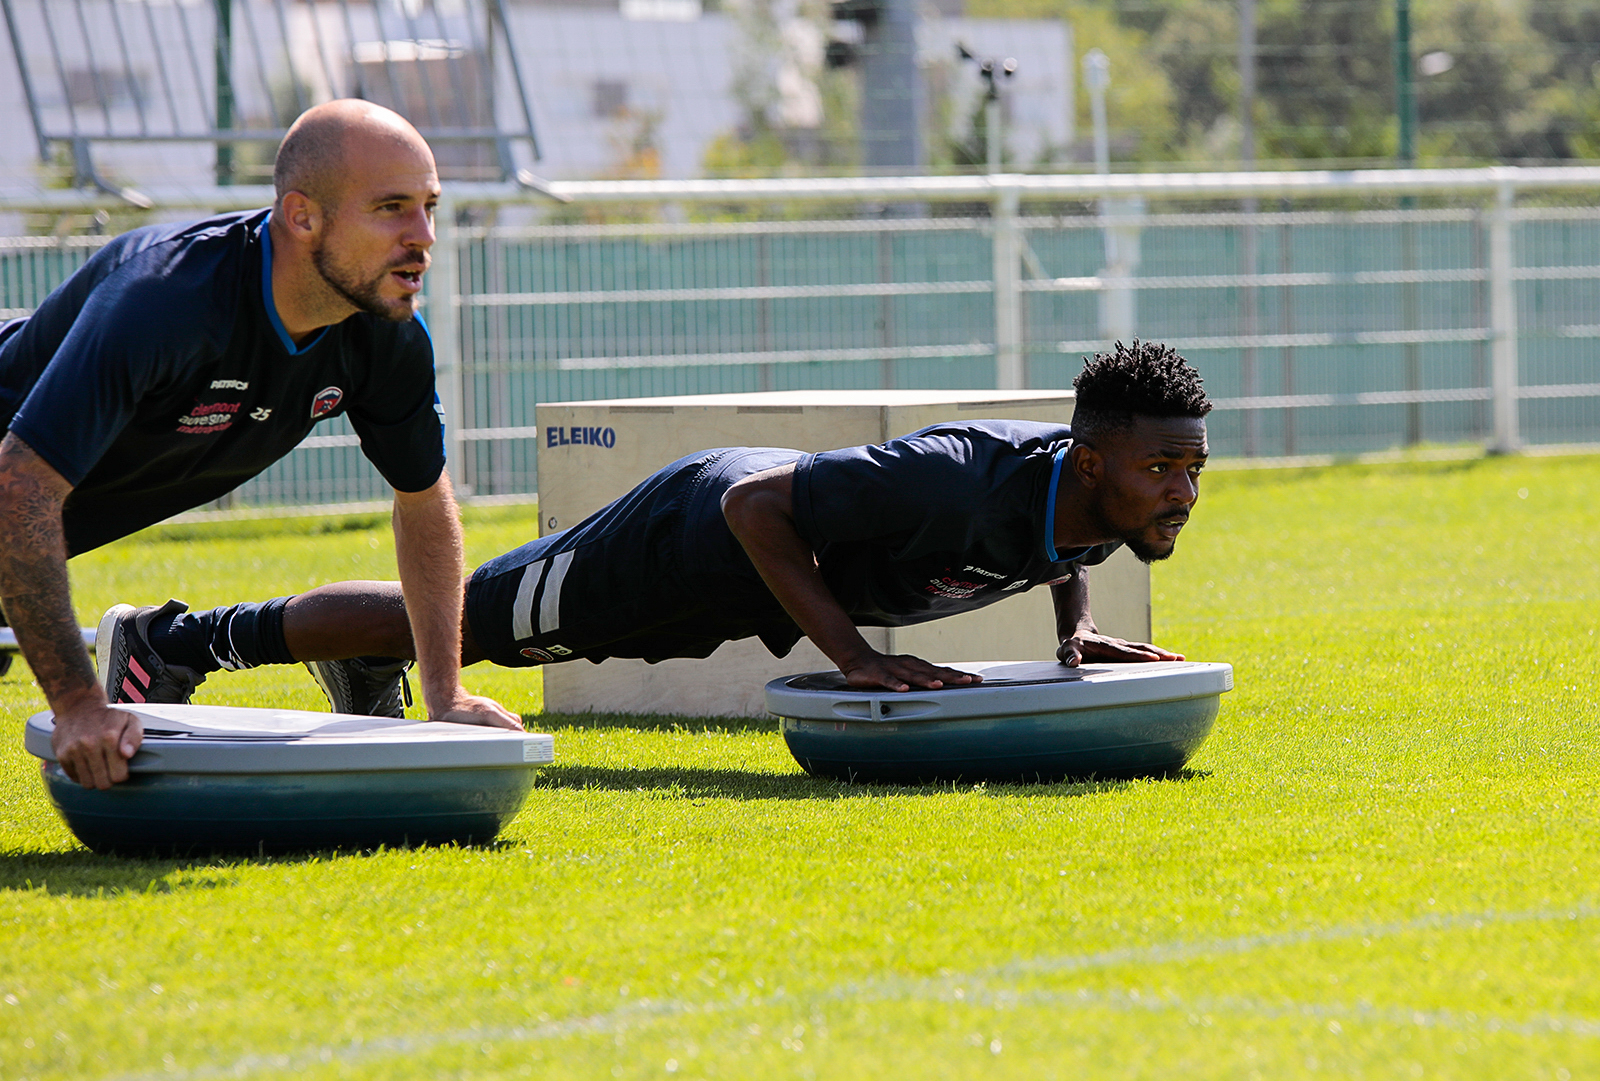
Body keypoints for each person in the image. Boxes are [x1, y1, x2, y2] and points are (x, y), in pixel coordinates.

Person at [101, 341, 1211, 702]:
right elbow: (753, 505)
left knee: (460, 630)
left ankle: (359, 668)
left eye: (1191, 471)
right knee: (473, 626)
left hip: (740, 583)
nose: (1179, 494)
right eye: (1162, 469)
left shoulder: (1112, 499)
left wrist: (1071, 636)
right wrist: (855, 657)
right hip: (696, 531)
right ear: (1096, 455)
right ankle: (179, 639)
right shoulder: (954, 479)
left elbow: (1072, 539)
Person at [0, 99, 521, 792]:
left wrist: (445, 696)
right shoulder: (166, 299)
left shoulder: (385, 336)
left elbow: (423, 503)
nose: (423, 234)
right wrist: (77, 706)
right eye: (392, 207)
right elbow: (20, 485)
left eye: (429, 205)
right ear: (303, 216)